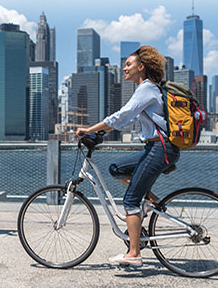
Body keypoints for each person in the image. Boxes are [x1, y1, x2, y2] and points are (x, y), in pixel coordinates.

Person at [76, 45, 180, 267]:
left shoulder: (146, 89)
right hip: (156, 147)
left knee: (131, 200)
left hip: (160, 148)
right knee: (117, 168)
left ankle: (134, 254)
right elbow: (130, 119)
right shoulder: (147, 89)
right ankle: (152, 199)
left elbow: (123, 114)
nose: (124, 68)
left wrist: (90, 130)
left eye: (129, 65)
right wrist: (103, 131)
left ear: (141, 67)